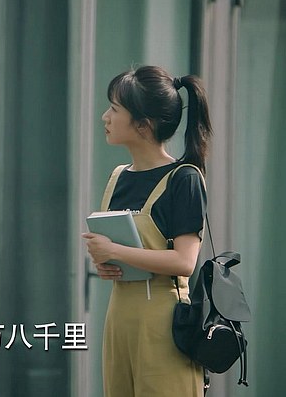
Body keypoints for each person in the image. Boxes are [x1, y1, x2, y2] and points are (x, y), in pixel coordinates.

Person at [83, 65, 212, 396]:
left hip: (164, 322)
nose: (105, 117)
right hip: (119, 316)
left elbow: (184, 262)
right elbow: (127, 252)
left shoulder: (184, 178)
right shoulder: (118, 176)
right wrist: (108, 263)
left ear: (143, 124)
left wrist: (115, 251)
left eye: (114, 109)